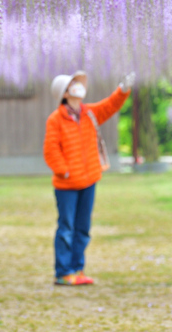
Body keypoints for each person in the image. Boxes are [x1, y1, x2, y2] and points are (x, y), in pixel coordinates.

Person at [44, 70, 134, 286]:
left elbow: (110, 106)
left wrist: (123, 90)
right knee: (66, 227)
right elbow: (50, 151)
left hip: (89, 180)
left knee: (83, 227)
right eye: (72, 85)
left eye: (78, 83)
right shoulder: (56, 119)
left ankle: (78, 268)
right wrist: (64, 170)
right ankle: (64, 271)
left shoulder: (89, 113)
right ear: (65, 94)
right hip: (67, 184)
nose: (78, 87)